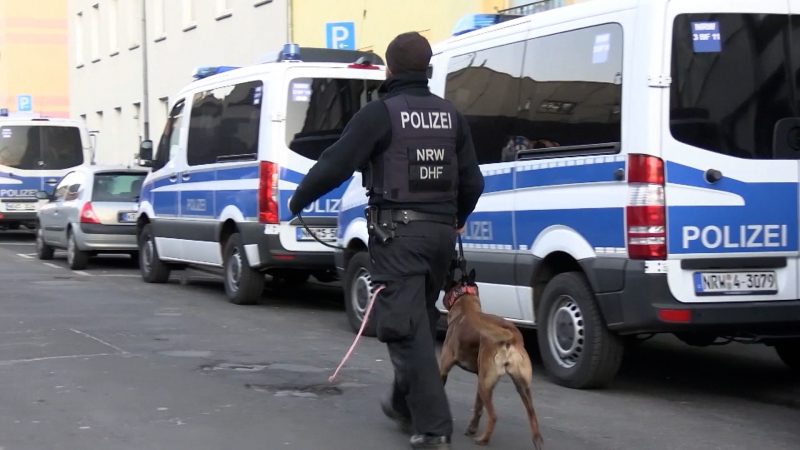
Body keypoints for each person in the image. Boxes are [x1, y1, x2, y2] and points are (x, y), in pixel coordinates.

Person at [289, 31, 484, 449]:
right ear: (427, 69)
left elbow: (336, 163)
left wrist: (299, 199)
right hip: (439, 239)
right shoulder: (451, 116)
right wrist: (457, 219)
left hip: (398, 236)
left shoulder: (381, 114)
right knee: (414, 321)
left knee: (404, 326)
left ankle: (434, 427)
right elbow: (474, 180)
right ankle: (403, 403)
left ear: (390, 70)